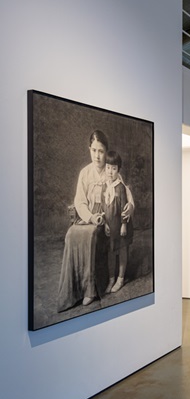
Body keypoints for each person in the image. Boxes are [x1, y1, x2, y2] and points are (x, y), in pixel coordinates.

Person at [57, 130, 134, 311]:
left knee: (90, 236)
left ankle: (90, 289)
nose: (97, 156)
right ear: (89, 149)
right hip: (90, 216)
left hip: (108, 218)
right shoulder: (85, 173)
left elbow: (126, 193)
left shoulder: (111, 171)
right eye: (94, 150)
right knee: (71, 235)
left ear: (106, 152)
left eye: (101, 151)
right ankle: (74, 288)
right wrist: (90, 216)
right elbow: (79, 201)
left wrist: (130, 206)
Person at [103, 151, 134, 294]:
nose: (110, 171)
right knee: (110, 252)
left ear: (118, 170)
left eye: (114, 168)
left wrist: (124, 224)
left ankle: (120, 278)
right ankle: (111, 279)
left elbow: (123, 207)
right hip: (110, 226)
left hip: (121, 226)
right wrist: (105, 223)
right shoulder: (104, 186)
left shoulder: (121, 187)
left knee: (122, 251)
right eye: (108, 167)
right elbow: (103, 206)